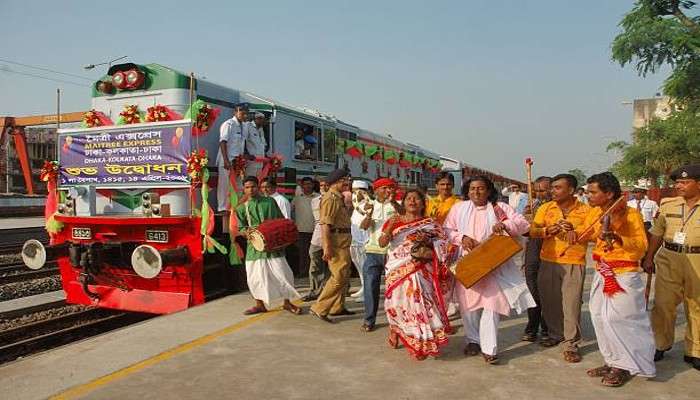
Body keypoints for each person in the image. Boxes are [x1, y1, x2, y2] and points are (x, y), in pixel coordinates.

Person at [444, 176, 534, 364]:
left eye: (481, 188)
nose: (476, 192)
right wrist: (462, 238)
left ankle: (489, 348)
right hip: (468, 262)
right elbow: (447, 230)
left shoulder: (500, 207)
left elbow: (523, 224)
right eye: (472, 189)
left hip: (495, 264)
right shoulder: (458, 208)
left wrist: (506, 225)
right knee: (468, 307)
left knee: (492, 307)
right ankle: (472, 340)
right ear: (467, 192)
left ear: (488, 190)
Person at [577, 172, 654, 387]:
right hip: (602, 270)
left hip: (624, 274)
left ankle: (626, 365)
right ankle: (611, 360)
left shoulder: (631, 215)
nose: (589, 196)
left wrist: (618, 237)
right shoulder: (596, 212)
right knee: (598, 315)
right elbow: (588, 233)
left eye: (593, 192)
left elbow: (641, 246)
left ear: (609, 193)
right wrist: (571, 233)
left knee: (619, 319)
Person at [378, 189, 455, 360]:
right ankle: (396, 328)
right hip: (397, 269)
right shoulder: (394, 220)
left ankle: (420, 340)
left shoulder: (431, 224)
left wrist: (428, 241)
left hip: (422, 269)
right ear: (404, 202)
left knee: (422, 304)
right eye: (409, 199)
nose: (412, 202)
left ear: (423, 203)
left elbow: (444, 243)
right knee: (397, 305)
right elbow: (382, 243)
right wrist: (390, 227)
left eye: (417, 199)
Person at [530, 173, 591, 363]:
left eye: (558, 188)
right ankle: (556, 334)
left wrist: (574, 230)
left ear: (571, 190)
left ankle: (571, 344)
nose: (552, 191)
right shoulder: (546, 208)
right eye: (552, 187)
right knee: (550, 302)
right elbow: (532, 230)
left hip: (573, 261)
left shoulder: (586, 210)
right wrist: (547, 231)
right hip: (548, 260)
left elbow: (593, 232)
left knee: (571, 303)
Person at [645, 164, 700, 370]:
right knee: (662, 304)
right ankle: (661, 343)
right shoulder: (668, 205)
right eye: (678, 182)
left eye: (685, 182)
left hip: (697, 259)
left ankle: (695, 350)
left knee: (696, 305)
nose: (679, 186)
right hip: (669, 257)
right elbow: (657, 233)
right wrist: (649, 258)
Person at [236, 176, 301, 315]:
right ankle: (259, 305)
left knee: (282, 274)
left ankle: (287, 303)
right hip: (254, 248)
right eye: (247, 187)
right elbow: (240, 228)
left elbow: (280, 221)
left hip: (273, 246)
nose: (250, 189)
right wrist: (245, 233)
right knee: (255, 277)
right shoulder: (241, 208)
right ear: (244, 189)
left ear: (258, 186)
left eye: (253, 186)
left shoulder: (270, 202)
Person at [309, 169, 354, 323]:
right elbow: (325, 225)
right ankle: (320, 307)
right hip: (336, 241)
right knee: (338, 276)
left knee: (344, 275)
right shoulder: (331, 198)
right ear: (339, 181)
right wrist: (327, 246)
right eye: (345, 180)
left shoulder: (339, 198)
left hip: (343, 239)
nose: (348, 183)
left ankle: (337, 306)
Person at [359, 177, 399, 332]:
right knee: (370, 286)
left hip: (393, 252)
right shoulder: (370, 205)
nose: (388, 191)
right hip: (373, 252)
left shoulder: (398, 205)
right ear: (376, 191)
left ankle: (397, 322)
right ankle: (369, 320)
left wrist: (394, 202)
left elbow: (403, 216)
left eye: (391, 188)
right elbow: (364, 227)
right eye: (385, 188)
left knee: (395, 289)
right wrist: (368, 215)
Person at [521, 176, 552, 342]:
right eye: (537, 191)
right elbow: (524, 232)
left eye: (543, 190)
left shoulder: (556, 207)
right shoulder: (532, 206)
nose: (540, 194)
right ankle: (532, 327)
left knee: (547, 290)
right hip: (533, 250)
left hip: (551, 251)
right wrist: (525, 218)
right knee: (532, 290)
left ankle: (547, 327)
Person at [217, 104, 250, 212]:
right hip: (227, 160)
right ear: (235, 112)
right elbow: (223, 142)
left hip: (238, 161)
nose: (244, 115)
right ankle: (222, 208)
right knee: (224, 185)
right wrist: (226, 161)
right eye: (242, 113)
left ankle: (235, 206)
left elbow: (242, 145)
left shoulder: (244, 126)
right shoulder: (228, 124)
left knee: (238, 185)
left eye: (246, 113)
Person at [302, 178, 329, 302]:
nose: (323, 187)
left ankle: (332, 290)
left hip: (332, 235)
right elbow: (316, 221)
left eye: (326, 185)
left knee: (332, 265)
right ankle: (315, 290)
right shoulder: (314, 201)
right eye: (322, 185)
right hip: (317, 236)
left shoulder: (336, 199)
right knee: (314, 262)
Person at [293, 177, 318, 279]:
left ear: (313, 185)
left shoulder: (318, 197)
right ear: (302, 186)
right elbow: (291, 211)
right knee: (303, 253)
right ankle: (303, 272)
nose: (307, 186)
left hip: (316, 231)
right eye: (305, 184)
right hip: (301, 231)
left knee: (315, 254)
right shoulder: (297, 198)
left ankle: (316, 273)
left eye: (309, 184)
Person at [350, 180, 371, 301]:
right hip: (355, 240)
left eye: (358, 191)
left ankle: (367, 292)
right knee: (359, 266)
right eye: (354, 191)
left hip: (364, 241)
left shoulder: (368, 205)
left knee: (365, 266)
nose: (355, 194)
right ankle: (363, 287)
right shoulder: (356, 206)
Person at [245, 112, 268, 177]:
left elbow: (263, 145)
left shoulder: (261, 129)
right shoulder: (248, 126)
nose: (262, 121)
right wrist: (246, 154)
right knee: (249, 179)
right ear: (256, 119)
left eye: (263, 119)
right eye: (260, 119)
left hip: (260, 161)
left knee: (258, 181)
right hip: (251, 161)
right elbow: (243, 141)